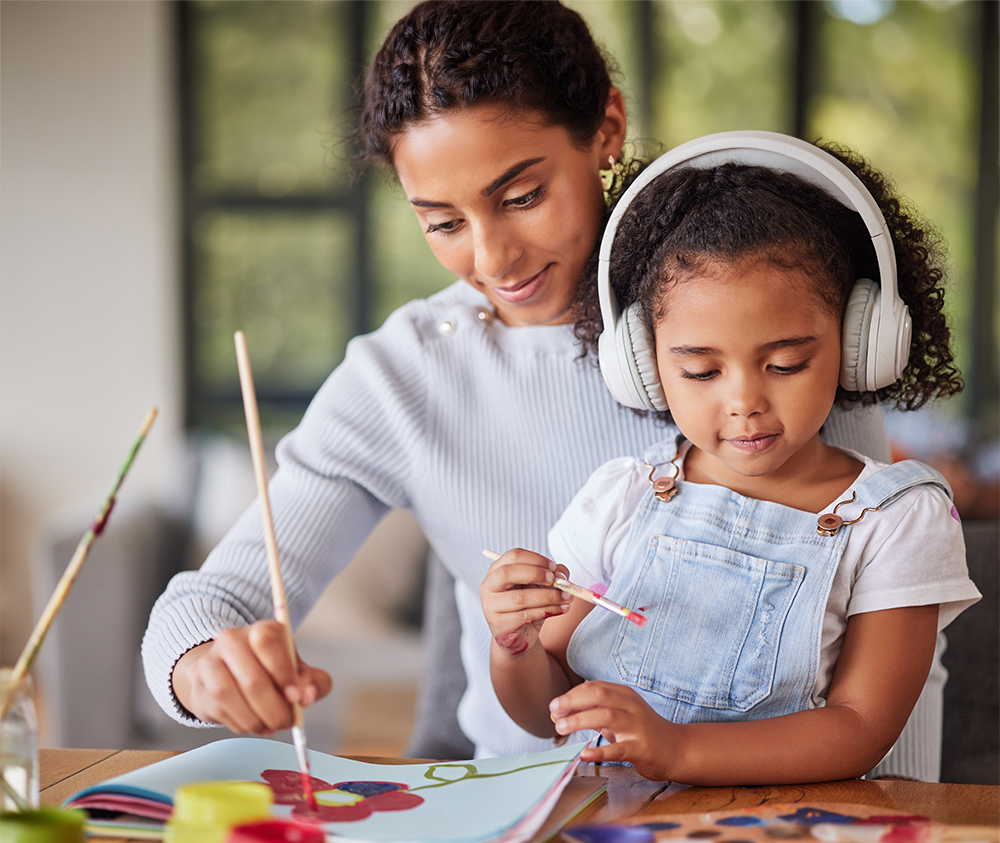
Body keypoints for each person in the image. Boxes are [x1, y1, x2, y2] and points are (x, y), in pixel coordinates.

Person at [143, 2, 900, 766]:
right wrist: (205, 665)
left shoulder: (760, 313)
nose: (494, 259)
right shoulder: (403, 377)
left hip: (809, 802)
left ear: (606, 127)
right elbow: (206, 606)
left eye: (521, 197)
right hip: (536, 817)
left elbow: (892, 639)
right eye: (442, 223)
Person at [480, 133, 980, 784]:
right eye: (700, 371)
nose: (744, 402)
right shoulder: (624, 498)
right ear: (646, 366)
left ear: (859, 343)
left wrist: (678, 750)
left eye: (784, 364)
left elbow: (859, 726)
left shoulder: (897, 519)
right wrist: (513, 646)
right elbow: (553, 708)